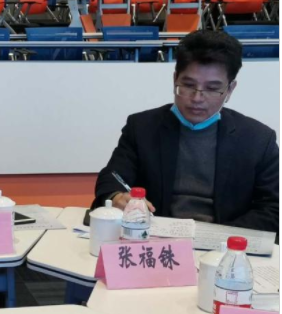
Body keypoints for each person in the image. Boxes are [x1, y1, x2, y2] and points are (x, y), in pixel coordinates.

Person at [91, 30, 278, 233]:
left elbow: (272, 209)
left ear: (230, 89)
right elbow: (112, 178)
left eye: (212, 88)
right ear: (175, 80)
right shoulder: (143, 127)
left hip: (224, 243)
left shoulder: (258, 140)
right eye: (188, 85)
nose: (197, 98)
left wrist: (215, 237)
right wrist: (116, 197)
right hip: (156, 238)